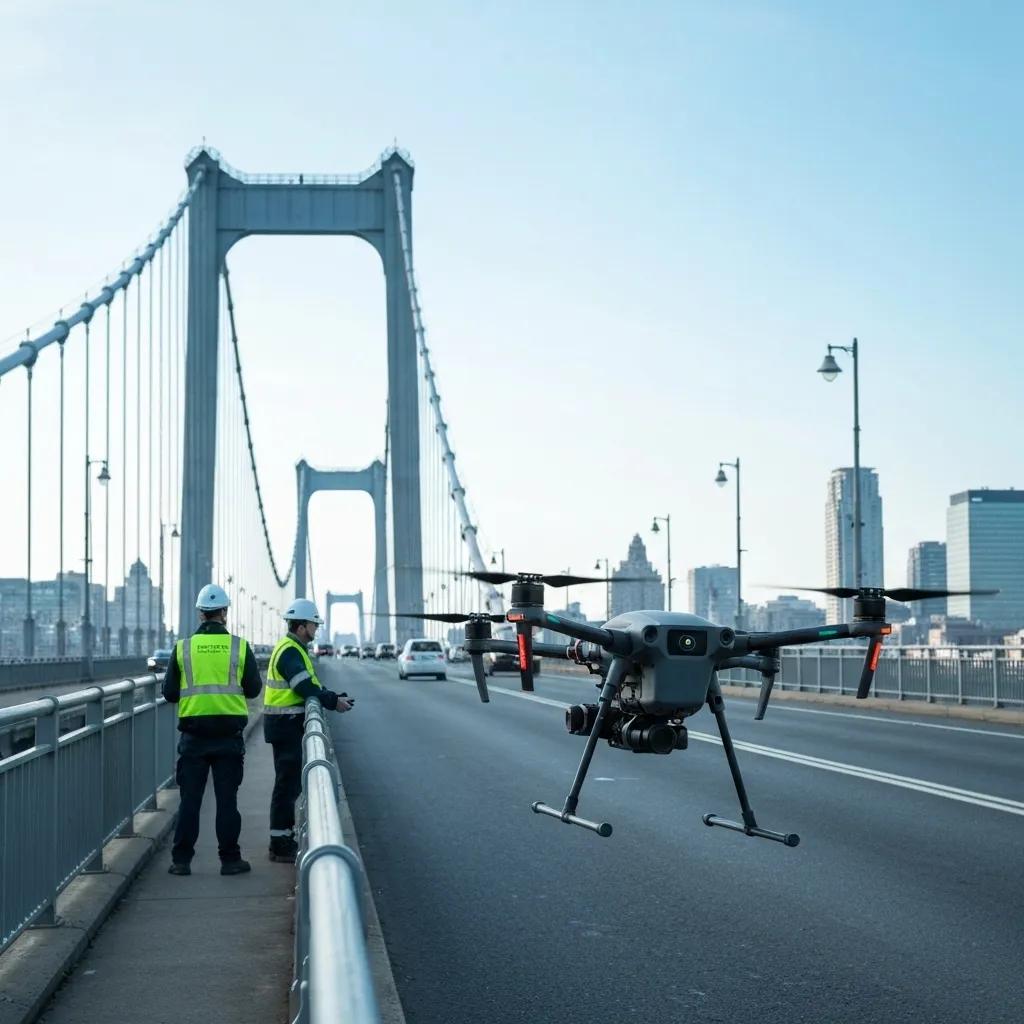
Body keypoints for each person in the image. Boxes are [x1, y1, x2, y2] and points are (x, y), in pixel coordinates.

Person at [162, 584, 263, 876]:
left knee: (190, 801)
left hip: (193, 738)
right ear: (224, 612)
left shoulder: (183, 648)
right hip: (228, 739)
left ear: (200, 613)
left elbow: (169, 693)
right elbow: (254, 690)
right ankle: (230, 860)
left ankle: (181, 862)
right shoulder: (239, 646)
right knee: (227, 802)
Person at [264, 598, 353, 862]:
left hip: (286, 724)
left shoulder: (294, 648)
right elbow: (302, 686)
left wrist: (331, 695)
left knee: (289, 785)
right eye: (313, 625)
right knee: (286, 786)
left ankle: (283, 838)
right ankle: (280, 844)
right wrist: (332, 702)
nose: (316, 629)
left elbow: (310, 685)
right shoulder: (290, 651)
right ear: (302, 626)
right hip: (286, 724)